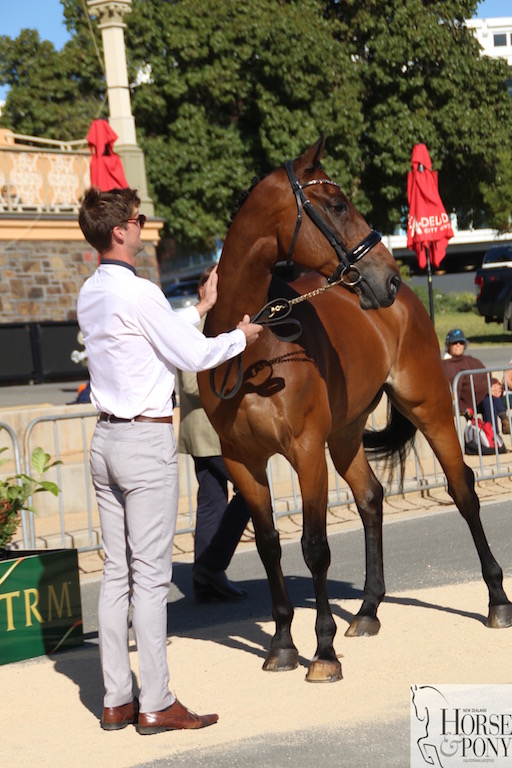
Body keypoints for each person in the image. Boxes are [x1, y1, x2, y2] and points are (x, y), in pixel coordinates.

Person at [76, 186, 262, 735]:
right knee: (151, 580)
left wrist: (199, 308)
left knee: (116, 574)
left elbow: (146, 337)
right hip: (143, 443)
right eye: (137, 220)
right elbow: (192, 356)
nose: (142, 225)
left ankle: (116, 700)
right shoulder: (141, 292)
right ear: (119, 232)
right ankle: (156, 701)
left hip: (105, 441)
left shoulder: (91, 293)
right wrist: (239, 336)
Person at [177, 268, 251, 603]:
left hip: (205, 432)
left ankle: (204, 579)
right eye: (216, 282)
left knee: (211, 501)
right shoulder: (194, 324)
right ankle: (211, 565)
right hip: (207, 430)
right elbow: (194, 385)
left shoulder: (209, 322)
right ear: (203, 288)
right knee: (251, 492)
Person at [441, 328, 508, 432]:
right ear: (449, 345)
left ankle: (494, 435)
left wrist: (496, 386)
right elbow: (459, 388)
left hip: (483, 398)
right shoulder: (446, 365)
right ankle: (500, 424)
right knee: (488, 395)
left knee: (489, 398)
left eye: (461, 342)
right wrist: (487, 388)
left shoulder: (471, 360)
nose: (458, 345)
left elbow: (486, 377)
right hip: (466, 403)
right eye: (455, 342)